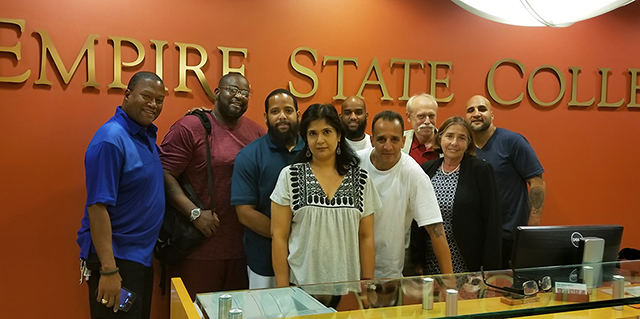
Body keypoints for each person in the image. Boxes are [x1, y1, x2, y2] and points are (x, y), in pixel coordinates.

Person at [160, 72, 265, 296]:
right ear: (216, 93)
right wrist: (194, 213)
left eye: (244, 92)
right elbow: (164, 173)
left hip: (244, 250)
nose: (238, 96)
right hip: (197, 249)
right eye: (232, 89)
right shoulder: (190, 127)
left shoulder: (257, 133)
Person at [77, 71, 166, 319]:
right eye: (146, 96)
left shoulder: (144, 135)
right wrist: (108, 270)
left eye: (159, 100)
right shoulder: (110, 140)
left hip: (138, 259)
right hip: (117, 261)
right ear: (127, 95)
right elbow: (97, 207)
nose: (153, 104)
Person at [271, 103, 380, 289]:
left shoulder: (361, 179)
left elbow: (366, 237)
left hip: (348, 288)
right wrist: (283, 291)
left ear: (339, 135)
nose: (320, 140)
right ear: (305, 137)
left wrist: (367, 285)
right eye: (313, 133)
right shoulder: (290, 176)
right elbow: (279, 236)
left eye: (327, 132)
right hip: (300, 288)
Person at [357, 110, 453, 279]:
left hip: (387, 273)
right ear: (371, 140)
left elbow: (436, 230)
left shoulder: (413, 173)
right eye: (381, 139)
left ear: (403, 141)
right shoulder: (354, 164)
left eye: (394, 139)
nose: (388, 146)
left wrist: (450, 281)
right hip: (349, 269)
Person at [230, 88, 304, 289]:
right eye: (275, 111)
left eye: (288, 110)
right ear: (266, 117)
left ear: (298, 115)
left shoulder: (313, 151)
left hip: (309, 261)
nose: (282, 116)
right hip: (264, 261)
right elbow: (245, 213)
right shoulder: (249, 156)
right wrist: (286, 234)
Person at [412, 116, 502, 275]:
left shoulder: (481, 170)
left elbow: (493, 222)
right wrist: (417, 260)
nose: (454, 143)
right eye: (449, 136)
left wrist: (490, 271)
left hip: (466, 261)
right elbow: (417, 218)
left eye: (461, 138)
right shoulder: (427, 169)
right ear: (440, 139)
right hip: (430, 259)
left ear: (468, 143)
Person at [464, 95, 545, 269]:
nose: (476, 114)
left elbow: (537, 182)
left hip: (509, 236)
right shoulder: (464, 147)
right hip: (478, 237)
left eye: (482, 109)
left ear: (492, 115)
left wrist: (532, 228)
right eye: (471, 110)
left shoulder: (512, 142)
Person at [402, 93, 440, 165]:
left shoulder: (447, 143)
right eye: (421, 116)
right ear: (409, 116)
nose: (427, 121)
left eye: (431, 116)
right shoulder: (399, 141)